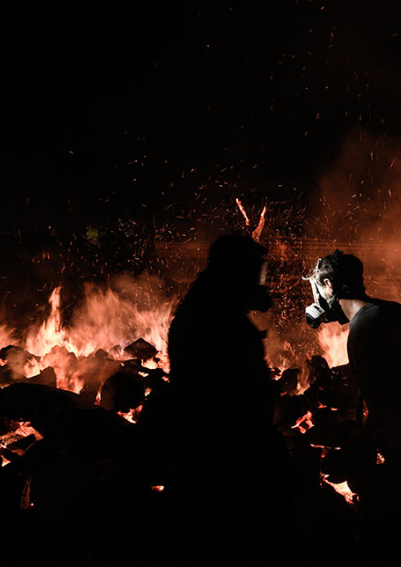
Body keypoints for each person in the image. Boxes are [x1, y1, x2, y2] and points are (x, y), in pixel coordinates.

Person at [145, 232, 296, 561]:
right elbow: (231, 398)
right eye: (257, 273)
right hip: (222, 457)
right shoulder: (214, 319)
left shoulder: (210, 308)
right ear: (236, 272)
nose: (263, 282)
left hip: (221, 451)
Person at [304, 250, 401, 563]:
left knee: (391, 522)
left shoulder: (362, 331)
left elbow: (385, 405)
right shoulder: (390, 310)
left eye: (318, 288)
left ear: (329, 285)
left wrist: (357, 446)